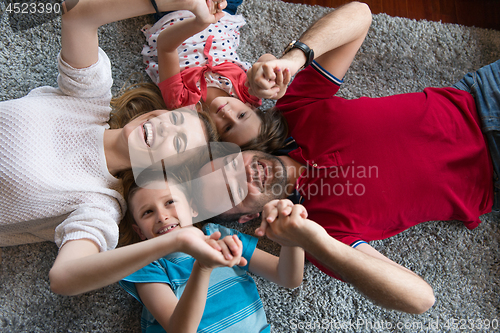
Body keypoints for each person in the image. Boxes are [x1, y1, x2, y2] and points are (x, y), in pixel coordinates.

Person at [197, 0, 500, 314]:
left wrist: (293, 60)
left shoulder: (293, 113)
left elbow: (360, 15)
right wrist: (312, 240)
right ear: (247, 218)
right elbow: (420, 299)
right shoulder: (318, 230)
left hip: (481, 97)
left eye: (231, 166)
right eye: (233, 190)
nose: (244, 174)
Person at [0, 0, 246, 296]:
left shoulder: (99, 205)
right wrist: (183, 4)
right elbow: (78, 18)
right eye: (174, 119)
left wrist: (173, 241)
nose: (166, 127)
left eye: (177, 142)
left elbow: (64, 278)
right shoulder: (90, 99)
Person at [118, 170, 304, 332]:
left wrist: (293, 236)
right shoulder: (146, 265)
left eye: (170, 202)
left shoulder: (220, 234)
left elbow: (288, 278)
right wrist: (203, 267)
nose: (162, 216)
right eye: (147, 212)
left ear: (192, 208)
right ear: (139, 231)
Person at [140, 0, 290, 151]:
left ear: (214, 136)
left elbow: (165, 47)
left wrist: (199, 22)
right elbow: (265, 59)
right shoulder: (248, 92)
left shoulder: (183, 105)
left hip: (175, 12)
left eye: (227, 128)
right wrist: (271, 70)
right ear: (250, 107)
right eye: (242, 115)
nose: (228, 114)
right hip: (222, 12)